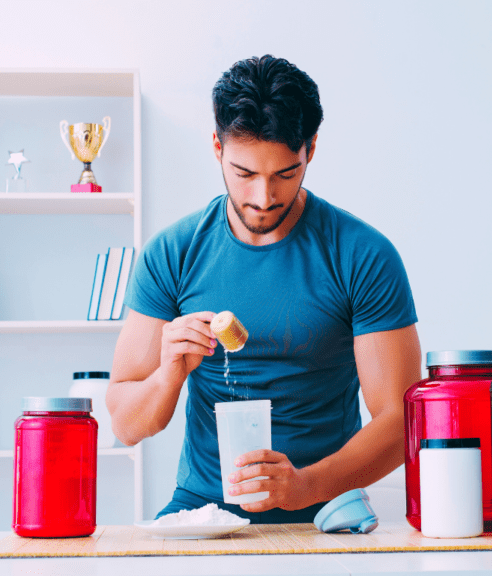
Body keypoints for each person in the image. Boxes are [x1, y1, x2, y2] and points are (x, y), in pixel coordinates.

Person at [107, 55, 421, 523]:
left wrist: (305, 486)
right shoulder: (172, 252)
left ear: (310, 149)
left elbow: (401, 423)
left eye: (284, 175)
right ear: (217, 146)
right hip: (203, 509)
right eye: (245, 173)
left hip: (326, 510)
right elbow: (127, 425)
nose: (263, 197)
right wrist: (169, 372)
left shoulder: (362, 254)